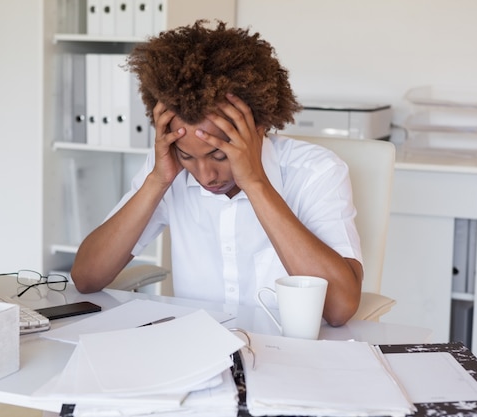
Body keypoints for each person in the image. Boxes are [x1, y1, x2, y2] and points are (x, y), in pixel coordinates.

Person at [70, 20, 363, 326]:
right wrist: (157, 182)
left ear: (259, 128)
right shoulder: (168, 170)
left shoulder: (316, 172)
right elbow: (86, 277)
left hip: (289, 356)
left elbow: (340, 307)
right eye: (188, 156)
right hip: (199, 352)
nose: (206, 175)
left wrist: (255, 183)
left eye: (219, 155)